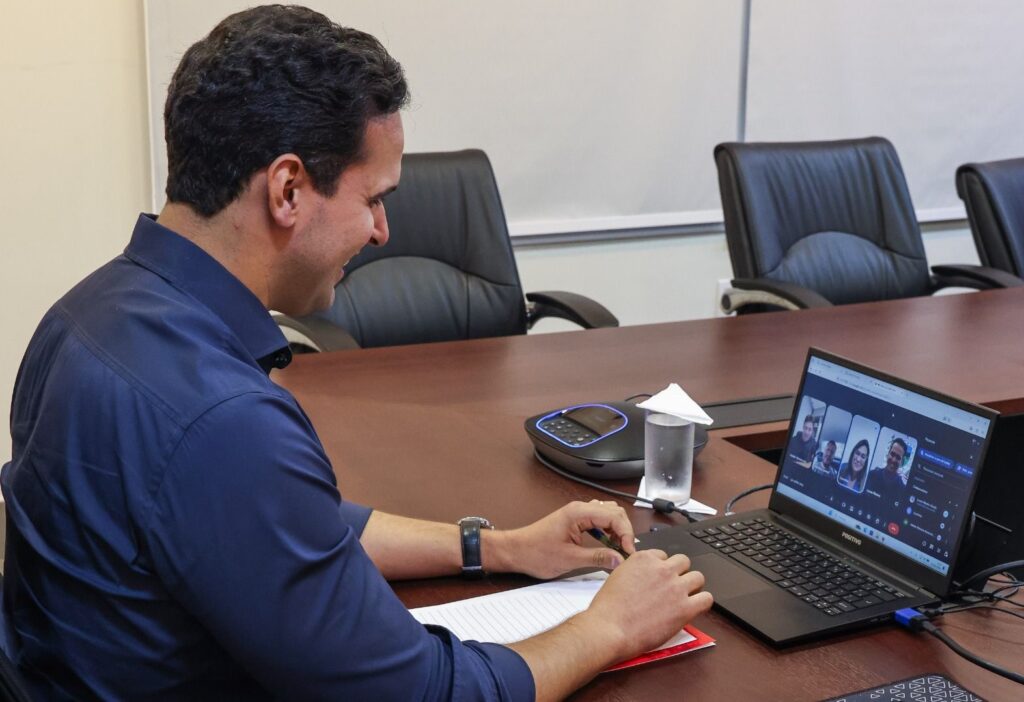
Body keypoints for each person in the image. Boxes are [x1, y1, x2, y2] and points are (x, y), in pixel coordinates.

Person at [0, 6, 711, 701]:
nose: (382, 231)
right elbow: (424, 692)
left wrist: (498, 547)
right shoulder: (225, 422)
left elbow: (280, 530)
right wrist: (609, 627)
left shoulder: (85, 315)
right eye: (373, 199)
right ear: (287, 189)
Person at [865, 438, 909, 525]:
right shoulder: (871, 475)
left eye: (898, 457)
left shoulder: (903, 490)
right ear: (888, 454)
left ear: (901, 461)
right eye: (892, 454)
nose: (893, 460)